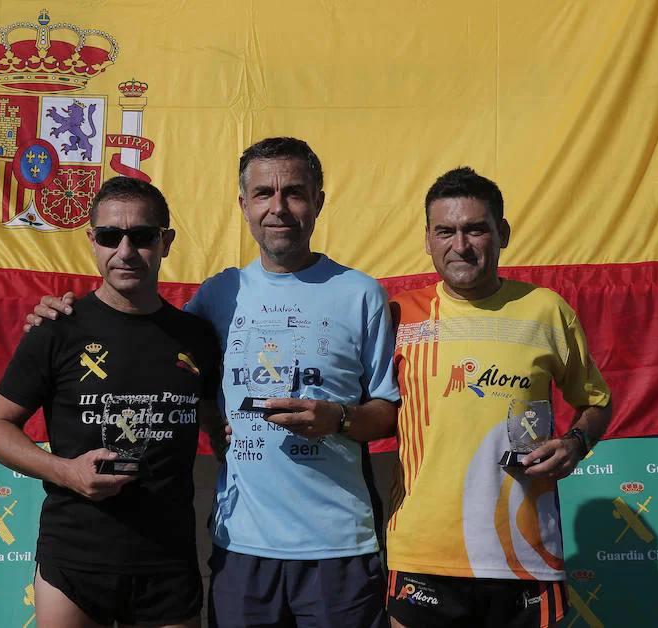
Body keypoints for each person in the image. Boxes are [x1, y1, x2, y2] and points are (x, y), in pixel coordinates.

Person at [28, 138, 400, 628]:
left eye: (294, 192)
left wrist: (339, 418)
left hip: (338, 547)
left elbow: (387, 413)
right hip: (240, 545)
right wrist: (59, 315)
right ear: (244, 205)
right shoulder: (218, 295)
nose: (278, 207)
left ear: (319, 200)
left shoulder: (360, 294)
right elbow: (156, 356)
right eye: (263, 193)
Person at [0, 177, 223, 628]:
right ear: (92, 241)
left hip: (166, 561)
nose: (125, 251)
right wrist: (67, 471)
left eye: (143, 236)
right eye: (111, 236)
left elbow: (218, 427)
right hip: (75, 559)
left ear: (165, 242)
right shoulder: (57, 329)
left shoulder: (197, 336)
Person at [385, 167, 613, 628]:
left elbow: (597, 402)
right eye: (445, 231)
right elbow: (359, 409)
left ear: (502, 233)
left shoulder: (547, 309)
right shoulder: (397, 315)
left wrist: (576, 443)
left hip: (526, 555)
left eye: (476, 229)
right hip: (421, 554)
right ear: (427, 239)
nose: (461, 245)